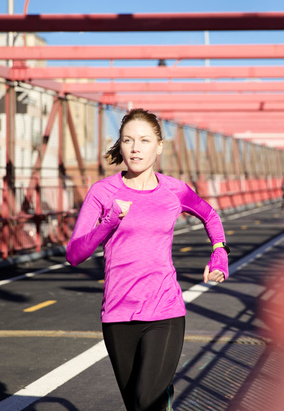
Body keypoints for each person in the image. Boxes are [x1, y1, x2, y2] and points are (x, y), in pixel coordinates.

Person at [65, 108, 229, 411]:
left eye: (144, 140)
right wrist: (109, 221)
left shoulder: (174, 190)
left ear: (159, 146)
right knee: (138, 406)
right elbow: (74, 254)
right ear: (121, 144)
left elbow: (210, 215)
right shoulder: (103, 192)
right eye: (128, 140)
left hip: (164, 310)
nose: (135, 148)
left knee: (143, 400)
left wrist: (219, 254)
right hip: (117, 314)